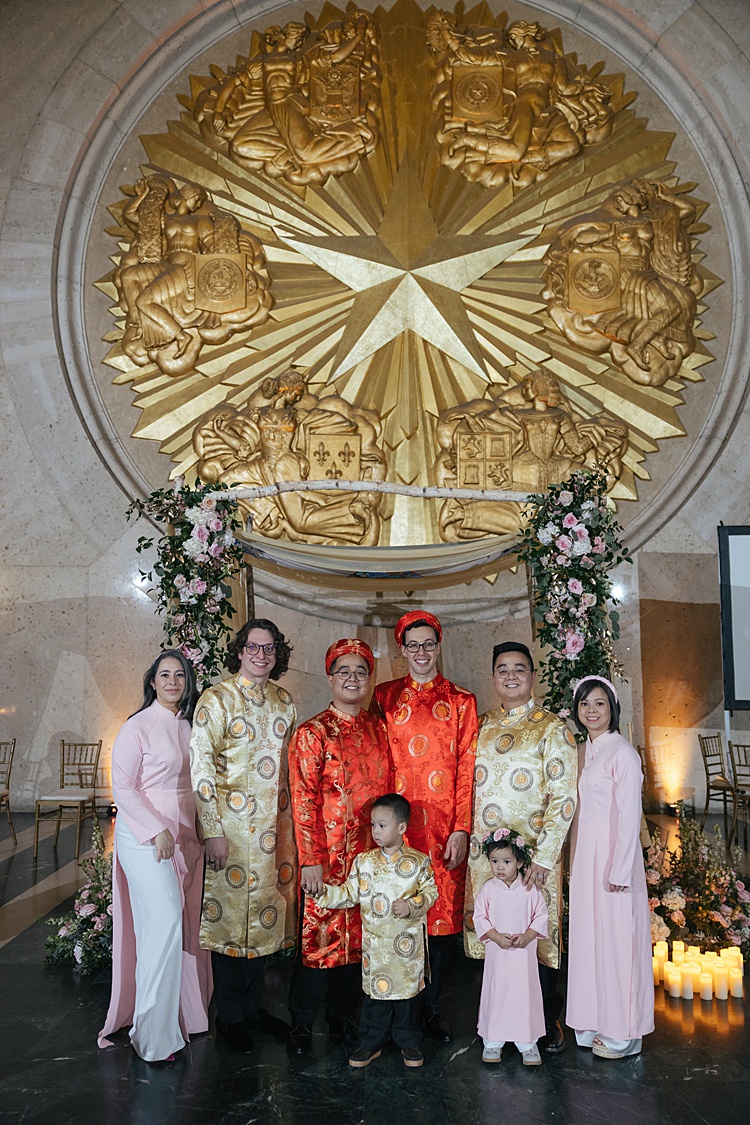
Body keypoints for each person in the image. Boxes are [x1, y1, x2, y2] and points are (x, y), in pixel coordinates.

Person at [98, 649, 211, 1063]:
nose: (172, 682)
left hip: (184, 834)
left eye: (179, 675)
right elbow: (122, 787)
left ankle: (179, 1018)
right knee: (163, 922)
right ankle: (152, 1037)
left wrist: (201, 831)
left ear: (188, 681)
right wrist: (156, 829)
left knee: (177, 928)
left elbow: (197, 784)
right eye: (164, 675)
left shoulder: (190, 725)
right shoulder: (137, 726)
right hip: (144, 835)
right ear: (152, 681)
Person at [464, 641, 577, 1054]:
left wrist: (545, 857)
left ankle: (546, 1021)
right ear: (493, 677)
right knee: (494, 937)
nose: (510, 676)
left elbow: (564, 796)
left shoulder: (552, 727)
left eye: (519, 669)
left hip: (533, 858)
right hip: (487, 858)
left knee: (537, 940)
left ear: (532, 676)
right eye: (502, 669)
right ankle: (497, 1021)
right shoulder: (482, 724)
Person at [190, 619, 297, 1052]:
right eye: (253, 647)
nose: (260, 655)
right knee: (229, 924)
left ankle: (253, 1009)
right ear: (240, 651)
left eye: (269, 649)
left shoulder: (284, 701)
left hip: (274, 835)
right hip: (230, 835)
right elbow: (201, 769)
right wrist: (212, 831)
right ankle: (230, 1017)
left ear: (277, 654)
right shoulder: (215, 700)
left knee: (265, 923)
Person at [371, 611, 477, 1042]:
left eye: (428, 644)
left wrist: (461, 828)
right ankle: (394, 1006)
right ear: (402, 649)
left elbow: (468, 768)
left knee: (440, 918)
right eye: (412, 645)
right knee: (397, 913)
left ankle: (431, 1007)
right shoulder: (384, 696)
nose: (420, 652)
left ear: (438, 645)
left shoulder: (461, 700)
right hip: (398, 829)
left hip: (443, 831)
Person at [286, 638, 390, 1055]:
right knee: (318, 940)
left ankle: (344, 1018)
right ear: (330, 678)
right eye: (343, 671)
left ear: (369, 679)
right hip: (325, 859)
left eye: (360, 671)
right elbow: (303, 798)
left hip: (368, 857)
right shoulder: (312, 733)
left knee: (358, 942)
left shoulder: (377, 729)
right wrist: (310, 859)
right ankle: (302, 1023)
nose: (352, 678)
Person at [313, 794, 438, 1069]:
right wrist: (321, 892)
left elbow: (431, 892)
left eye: (383, 825)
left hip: (406, 946)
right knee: (375, 998)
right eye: (373, 825)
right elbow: (348, 894)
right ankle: (369, 1044)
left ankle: (409, 1043)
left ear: (402, 828)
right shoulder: (364, 862)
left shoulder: (419, 862)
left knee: (406, 999)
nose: (376, 832)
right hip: (376, 947)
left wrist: (413, 904)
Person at [566, 675, 654, 1058]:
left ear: (613, 708)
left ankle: (623, 1032)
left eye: (599, 703)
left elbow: (629, 814)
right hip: (588, 860)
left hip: (615, 861)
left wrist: (620, 869)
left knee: (619, 944)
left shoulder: (622, 752)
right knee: (589, 942)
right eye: (585, 703)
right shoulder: (587, 750)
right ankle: (592, 1021)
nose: (592, 710)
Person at [473, 829, 548, 1066]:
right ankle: (493, 1041)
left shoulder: (529, 889)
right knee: (497, 991)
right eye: (495, 861)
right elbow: (480, 917)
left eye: (506, 861)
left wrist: (528, 936)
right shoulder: (489, 889)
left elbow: (541, 915)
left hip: (523, 955)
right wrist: (494, 936)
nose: (500, 867)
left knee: (524, 992)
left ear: (520, 861)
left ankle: (527, 1042)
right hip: (498, 954)